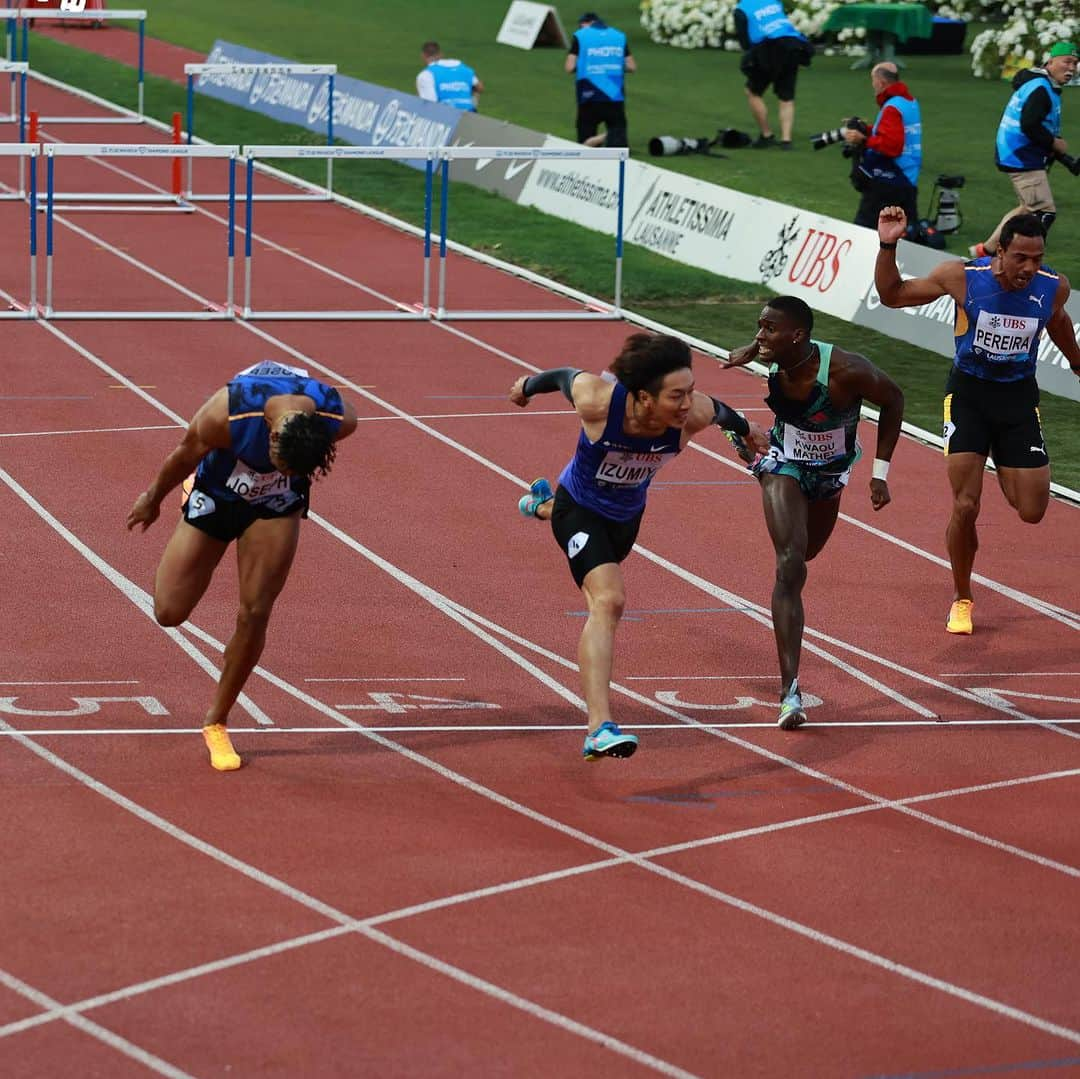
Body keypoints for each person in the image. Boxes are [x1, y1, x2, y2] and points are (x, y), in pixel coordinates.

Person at [510, 333, 768, 759]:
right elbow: (562, 377)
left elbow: (719, 410)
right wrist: (526, 387)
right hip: (581, 508)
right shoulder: (598, 401)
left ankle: (541, 506)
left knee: (603, 572)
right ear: (644, 397)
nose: (686, 403)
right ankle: (599, 728)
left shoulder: (692, 415)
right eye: (676, 395)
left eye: (689, 391)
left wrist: (748, 428)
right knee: (608, 601)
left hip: (626, 519)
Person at [126, 361, 358, 771]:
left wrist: (286, 482)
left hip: (276, 508)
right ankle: (190, 500)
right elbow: (183, 452)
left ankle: (216, 720)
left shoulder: (339, 417)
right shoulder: (228, 413)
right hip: (216, 496)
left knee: (255, 613)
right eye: (279, 463)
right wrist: (151, 497)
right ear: (271, 437)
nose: (280, 470)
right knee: (169, 611)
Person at [875, 207, 1080, 634]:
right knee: (966, 505)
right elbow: (892, 295)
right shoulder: (963, 277)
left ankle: (1007, 465)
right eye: (1020, 257)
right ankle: (962, 597)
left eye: (1037, 258)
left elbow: (1057, 322)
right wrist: (888, 244)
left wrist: (1077, 363)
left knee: (1032, 510)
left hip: (1018, 401)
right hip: (968, 396)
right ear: (999, 252)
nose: (1029, 267)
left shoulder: (1052, 288)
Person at [721, 296, 904, 728]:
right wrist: (754, 347)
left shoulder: (846, 370)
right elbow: (764, 344)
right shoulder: (773, 355)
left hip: (832, 473)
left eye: (768, 329)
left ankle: (745, 439)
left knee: (807, 555)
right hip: (785, 461)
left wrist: (880, 474)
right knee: (789, 566)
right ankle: (790, 692)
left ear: (798, 335)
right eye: (758, 328)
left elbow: (894, 399)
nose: (760, 335)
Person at [973, 42, 1078, 258]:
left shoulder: (1043, 85)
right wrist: (1054, 143)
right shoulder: (1041, 89)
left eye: (1075, 63)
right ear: (1050, 62)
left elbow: (1039, 126)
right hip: (1021, 156)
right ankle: (1016, 260)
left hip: (1018, 153)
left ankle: (987, 252)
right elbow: (1030, 125)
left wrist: (1067, 160)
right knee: (1043, 212)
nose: (1072, 68)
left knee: (1026, 208)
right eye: (1067, 61)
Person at [842, 62, 921, 230]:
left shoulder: (892, 108)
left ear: (881, 82)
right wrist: (867, 129)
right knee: (907, 236)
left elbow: (892, 146)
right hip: (909, 179)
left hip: (890, 180)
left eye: (873, 80)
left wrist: (862, 139)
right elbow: (898, 133)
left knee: (863, 230)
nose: (872, 85)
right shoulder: (909, 102)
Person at [734, 0, 811, 151]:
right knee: (786, 97)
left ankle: (766, 135)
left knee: (753, 91)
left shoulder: (741, 10)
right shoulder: (774, 1)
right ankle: (786, 140)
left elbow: (745, 43)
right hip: (792, 46)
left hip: (767, 49)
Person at [565, 12, 635, 149]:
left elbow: (569, 67)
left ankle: (603, 137)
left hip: (589, 93)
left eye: (581, 25)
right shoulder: (619, 36)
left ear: (587, 23)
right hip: (614, 93)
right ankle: (612, 135)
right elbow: (631, 66)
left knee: (584, 146)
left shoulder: (581, 36)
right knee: (618, 148)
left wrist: (588, 64)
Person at [416, 41, 484, 112]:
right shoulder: (461, 66)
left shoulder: (426, 74)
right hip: (468, 114)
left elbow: (429, 103)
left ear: (423, 56)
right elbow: (480, 87)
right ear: (441, 55)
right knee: (475, 90)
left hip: (445, 116)